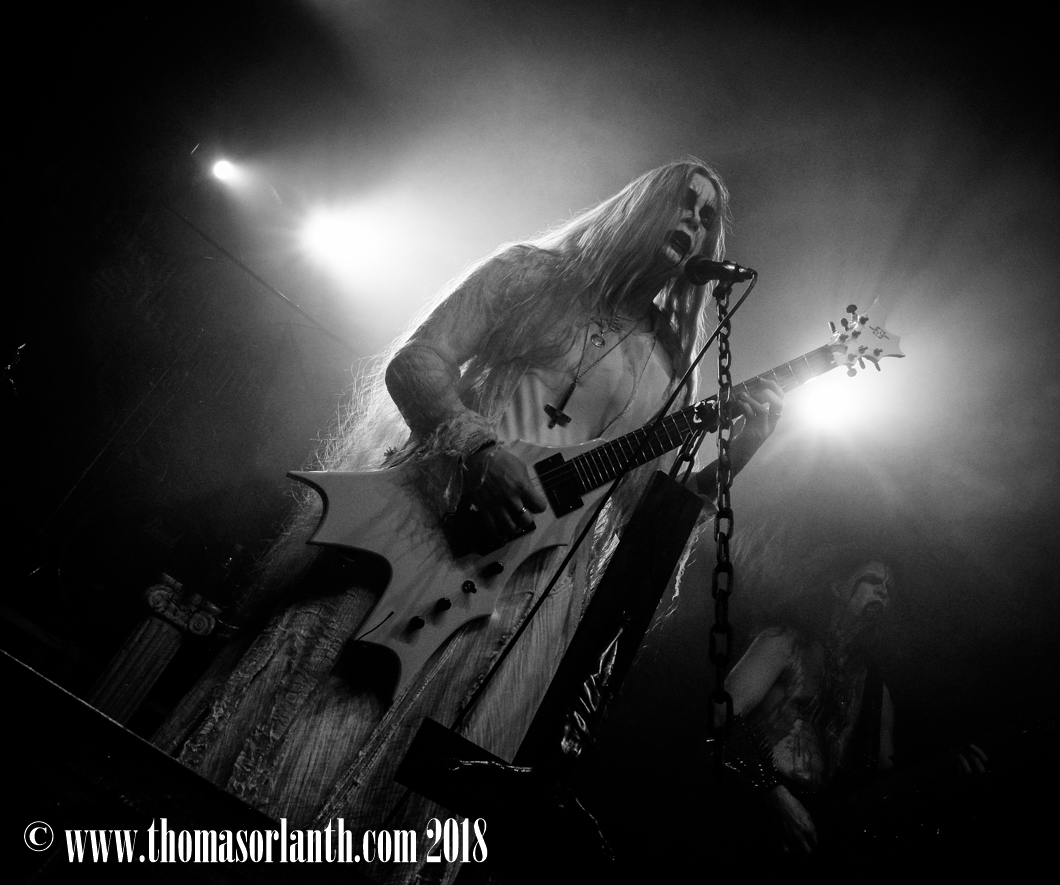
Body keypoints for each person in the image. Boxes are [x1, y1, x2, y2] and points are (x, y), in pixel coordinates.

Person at [154, 158, 782, 882]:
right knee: (311, 711)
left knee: (425, 781)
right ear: (640, 207)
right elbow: (417, 360)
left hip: (523, 594)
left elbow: (642, 521)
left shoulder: (674, 369)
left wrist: (734, 461)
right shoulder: (527, 274)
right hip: (431, 523)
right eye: (683, 202)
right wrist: (479, 449)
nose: (693, 221)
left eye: (707, 217)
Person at [721, 558, 987, 869]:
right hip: (750, 806)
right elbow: (721, 715)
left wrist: (942, 774)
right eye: (873, 581)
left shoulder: (874, 689)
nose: (883, 591)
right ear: (838, 586)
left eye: (889, 589)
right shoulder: (785, 642)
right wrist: (771, 792)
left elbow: (883, 779)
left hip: (809, 833)